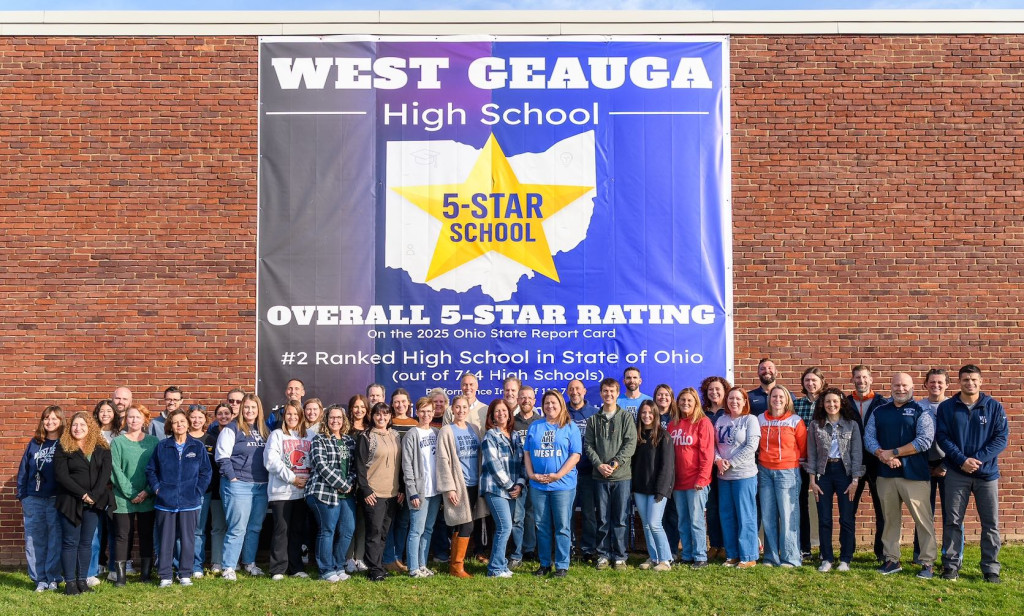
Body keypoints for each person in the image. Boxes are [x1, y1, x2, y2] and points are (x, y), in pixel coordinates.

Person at [935, 364, 1009, 583]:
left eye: (974, 379)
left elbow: (1001, 438)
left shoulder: (993, 407)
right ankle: (950, 566)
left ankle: (991, 568)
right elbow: (943, 437)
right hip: (957, 473)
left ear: (981, 381)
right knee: (953, 521)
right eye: (966, 379)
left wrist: (976, 460)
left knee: (990, 523)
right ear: (959, 382)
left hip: (986, 474)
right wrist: (961, 460)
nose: (970, 383)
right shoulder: (947, 407)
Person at [864, 373, 936, 578]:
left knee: (923, 520)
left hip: (915, 475)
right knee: (890, 519)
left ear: (912, 387)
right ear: (891, 386)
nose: (900, 389)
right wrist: (884, 456)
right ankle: (891, 559)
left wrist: (894, 453)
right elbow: (869, 438)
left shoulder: (922, 411)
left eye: (905, 385)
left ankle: (927, 562)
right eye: (896, 385)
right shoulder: (879, 411)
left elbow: (925, 440)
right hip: (886, 474)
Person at [146, 409, 212, 587]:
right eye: (175, 422)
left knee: (188, 540)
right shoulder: (162, 446)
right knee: (166, 540)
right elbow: (151, 470)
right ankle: (165, 575)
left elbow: (206, 472)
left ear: (188, 424)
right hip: (165, 503)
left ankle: (185, 574)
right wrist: (158, 489)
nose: (179, 425)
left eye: (182, 421)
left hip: (190, 502)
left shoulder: (197, 446)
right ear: (170, 426)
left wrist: (198, 491)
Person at [805, 387, 863, 572]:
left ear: (841, 403)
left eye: (835, 401)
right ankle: (827, 558)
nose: (831, 405)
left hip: (845, 473)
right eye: (828, 401)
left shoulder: (852, 425)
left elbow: (856, 454)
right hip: (823, 473)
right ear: (822, 404)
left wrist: (855, 480)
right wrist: (812, 480)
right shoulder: (815, 425)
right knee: (824, 518)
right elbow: (812, 454)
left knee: (846, 518)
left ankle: (845, 558)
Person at [524, 390, 582, 577]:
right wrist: (531, 475)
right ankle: (544, 564)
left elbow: (575, 455)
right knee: (541, 525)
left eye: (554, 402)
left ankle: (562, 565)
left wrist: (558, 475)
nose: (550, 406)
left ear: (561, 404)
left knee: (562, 526)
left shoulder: (570, 427)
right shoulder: (535, 426)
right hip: (538, 486)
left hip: (562, 486)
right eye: (547, 403)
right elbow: (527, 453)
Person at [54, 411, 112, 595]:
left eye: (82, 425)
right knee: (70, 542)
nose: (77, 428)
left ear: (90, 428)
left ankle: (82, 581)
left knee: (86, 543)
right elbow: (61, 476)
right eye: (74, 425)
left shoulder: (102, 447)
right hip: (70, 501)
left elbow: (105, 474)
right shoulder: (63, 447)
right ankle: (70, 583)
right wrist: (83, 494)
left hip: (93, 503)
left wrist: (94, 495)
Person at [216, 393, 270, 581]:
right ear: (241, 409)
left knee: (254, 527)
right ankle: (229, 567)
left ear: (259, 409)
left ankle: (249, 563)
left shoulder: (265, 430)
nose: (249, 410)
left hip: (261, 485)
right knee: (237, 528)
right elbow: (222, 456)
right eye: (246, 407)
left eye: (253, 407)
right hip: (239, 485)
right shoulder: (232, 428)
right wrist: (233, 478)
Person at [585, 377, 637, 570]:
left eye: (612, 391)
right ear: (601, 394)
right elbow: (588, 445)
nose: (608, 394)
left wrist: (614, 464)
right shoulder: (593, 419)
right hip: (600, 477)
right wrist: (599, 465)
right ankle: (603, 555)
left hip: (622, 477)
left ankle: (620, 556)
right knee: (603, 519)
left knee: (620, 518)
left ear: (617, 393)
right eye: (605, 391)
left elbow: (630, 444)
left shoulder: (626, 417)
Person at [305, 404, 357, 583]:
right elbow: (321, 465)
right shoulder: (319, 439)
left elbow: (354, 467)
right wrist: (341, 484)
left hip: (346, 494)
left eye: (339, 417)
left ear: (344, 420)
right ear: (326, 419)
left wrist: (348, 483)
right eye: (332, 417)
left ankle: (338, 565)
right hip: (323, 491)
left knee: (348, 530)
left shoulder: (349, 441)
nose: (336, 420)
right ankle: (326, 570)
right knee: (327, 530)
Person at [437, 395, 486, 578]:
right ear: (452, 409)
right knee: (466, 524)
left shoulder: (474, 428)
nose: (461, 411)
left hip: (474, 484)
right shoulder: (446, 431)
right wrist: (449, 487)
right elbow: (442, 461)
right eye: (457, 407)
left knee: (461, 525)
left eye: (464, 407)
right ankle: (458, 566)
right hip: (459, 485)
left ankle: (454, 565)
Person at [757, 385, 806, 568]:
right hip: (764, 471)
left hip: (788, 472)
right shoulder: (760, 419)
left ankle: (790, 558)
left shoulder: (795, 420)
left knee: (788, 516)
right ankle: (770, 557)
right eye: (774, 396)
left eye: (781, 397)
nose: (777, 400)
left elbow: (803, 447)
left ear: (787, 401)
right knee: (768, 516)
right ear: (769, 399)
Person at [17, 405, 65, 592]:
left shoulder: (64, 443)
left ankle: (53, 577)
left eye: (54, 418)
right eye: (46, 418)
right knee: (34, 540)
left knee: (55, 539)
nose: (50, 422)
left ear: (61, 421)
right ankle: (40, 579)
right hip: (33, 498)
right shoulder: (35, 443)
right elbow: (24, 470)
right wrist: (23, 495)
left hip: (56, 499)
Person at [356, 402, 404, 582]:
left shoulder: (395, 435)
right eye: (378, 414)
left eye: (385, 414)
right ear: (372, 416)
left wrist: (401, 488)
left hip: (392, 493)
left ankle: (379, 565)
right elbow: (359, 466)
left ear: (390, 416)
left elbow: (400, 464)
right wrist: (366, 490)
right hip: (373, 494)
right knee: (374, 532)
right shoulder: (366, 437)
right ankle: (374, 569)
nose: (381, 418)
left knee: (384, 532)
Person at [110, 406, 158, 586]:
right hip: (123, 498)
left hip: (148, 496)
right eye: (130, 417)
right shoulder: (117, 442)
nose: (134, 420)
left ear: (145, 420)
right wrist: (130, 493)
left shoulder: (154, 442)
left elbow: (158, 468)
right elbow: (115, 470)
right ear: (126, 420)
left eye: (138, 417)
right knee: (122, 536)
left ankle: (145, 575)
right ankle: (120, 577)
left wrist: (147, 491)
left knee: (146, 534)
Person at [265, 400, 312, 580]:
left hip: (302, 492)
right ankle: (278, 569)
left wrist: (306, 481)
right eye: (289, 414)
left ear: (301, 416)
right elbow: (271, 461)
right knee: (281, 530)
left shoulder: (309, 436)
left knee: (297, 531)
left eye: (295, 414)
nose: (292, 417)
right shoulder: (276, 435)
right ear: (284, 416)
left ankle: (295, 567)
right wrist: (292, 478)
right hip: (281, 491)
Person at [669, 387, 715, 568]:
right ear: (677, 403)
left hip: (696, 482)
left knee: (696, 520)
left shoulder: (703, 423)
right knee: (683, 520)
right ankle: (687, 554)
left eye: (689, 400)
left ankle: (700, 556)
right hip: (678, 482)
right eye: (682, 400)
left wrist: (702, 478)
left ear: (696, 403)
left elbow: (707, 453)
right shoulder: (673, 424)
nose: (685, 403)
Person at [715, 387, 760, 569]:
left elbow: (751, 446)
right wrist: (718, 461)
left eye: (738, 398)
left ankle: (748, 556)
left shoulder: (750, 420)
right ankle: (732, 555)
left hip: (744, 475)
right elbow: (713, 445)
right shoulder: (721, 420)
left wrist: (731, 463)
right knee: (727, 516)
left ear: (744, 401)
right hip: (723, 477)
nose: (734, 401)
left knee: (745, 515)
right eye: (731, 398)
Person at [480, 398, 525, 577]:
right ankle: (495, 568)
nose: (501, 414)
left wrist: (520, 484)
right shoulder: (490, 436)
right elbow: (493, 465)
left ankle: (501, 565)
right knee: (504, 526)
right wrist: (511, 486)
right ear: (492, 415)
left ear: (509, 414)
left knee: (506, 527)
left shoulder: (515, 436)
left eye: (504, 411)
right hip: (495, 489)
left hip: (513, 489)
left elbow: (522, 463)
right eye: (497, 411)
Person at [848, 364, 888, 562]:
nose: (861, 381)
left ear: (871, 379)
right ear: (852, 380)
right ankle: (848, 551)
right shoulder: (845, 402)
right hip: (852, 463)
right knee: (849, 509)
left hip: (877, 462)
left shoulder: (882, 402)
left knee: (882, 510)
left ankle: (881, 552)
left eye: (864, 377)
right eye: (857, 377)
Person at [914, 368, 952, 568]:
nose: (936, 385)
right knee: (922, 512)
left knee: (951, 513)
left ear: (947, 384)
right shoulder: (918, 406)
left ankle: (950, 555)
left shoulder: (954, 406)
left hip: (949, 464)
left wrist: (945, 465)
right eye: (932, 382)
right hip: (923, 466)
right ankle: (920, 553)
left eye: (940, 382)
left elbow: (960, 439)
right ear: (925, 384)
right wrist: (922, 465)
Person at [631, 400, 674, 571]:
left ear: (656, 415)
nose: (646, 416)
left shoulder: (664, 436)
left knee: (655, 523)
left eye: (650, 412)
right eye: (643, 412)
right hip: (640, 488)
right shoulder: (637, 436)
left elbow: (667, 466)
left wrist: (662, 490)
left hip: (658, 489)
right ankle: (654, 557)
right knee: (646, 524)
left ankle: (666, 560)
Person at [403, 398, 442, 578]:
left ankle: (422, 564)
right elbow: (407, 466)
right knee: (416, 530)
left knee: (428, 529)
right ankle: (413, 568)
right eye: (423, 411)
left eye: (429, 411)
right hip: (420, 491)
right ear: (417, 412)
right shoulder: (412, 434)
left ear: (433, 413)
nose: (426, 415)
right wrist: (412, 492)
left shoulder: (436, 433)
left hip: (435, 491)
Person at [195, 402, 231, 577]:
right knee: (198, 529)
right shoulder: (211, 435)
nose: (223, 416)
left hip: (218, 488)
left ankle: (217, 561)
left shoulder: (227, 435)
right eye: (220, 413)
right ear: (215, 417)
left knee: (218, 527)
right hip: (201, 491)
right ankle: (196, 564)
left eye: (227, 413)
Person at [793, 368, 825, 559]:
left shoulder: (828, 402)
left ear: (821, 382)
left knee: (823, 505)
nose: (810, 384)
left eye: (814, 380)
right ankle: (804, 547)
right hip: (801, 461)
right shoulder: (797, 404)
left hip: (823, 462)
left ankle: (824, 549)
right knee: (801, 504)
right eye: (807, 380)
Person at [384, 388, 416, 573]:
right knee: (389, 521)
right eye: (396, 401)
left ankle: (398, 557)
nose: (400, 405)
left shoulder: (415, 424)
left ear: (409, 403)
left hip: (409, 482)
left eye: (403, 401)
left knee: (404, 522)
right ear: (392, 404)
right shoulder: (388, 424)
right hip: (390, 482)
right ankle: (388, 558)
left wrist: (405, 487)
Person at [566, 379, 598, 563]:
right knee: (567, 513)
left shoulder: (594, 413)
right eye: (571, 389)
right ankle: (568, 547)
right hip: (566, 473)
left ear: (584, 391)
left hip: (588, 472)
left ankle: (588, 549)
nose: (574, 392)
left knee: (588, 513)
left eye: (578, 388)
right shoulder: (562, 412)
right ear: (567, 392)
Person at [699, 375, 730, 561]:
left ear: (725, 391)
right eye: (710, 389)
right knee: (711, 508)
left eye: (718, 389)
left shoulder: (730, 411)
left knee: (726, 507)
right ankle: (715, 544)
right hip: (707, 468)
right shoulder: (702, 413)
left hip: (727, 467)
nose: (714, 392)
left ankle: (727, 545)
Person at [509, 385, 541, 567]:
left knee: (532, 514)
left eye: (529, 397)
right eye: (522, 397)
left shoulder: (541, 422)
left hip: (536, 476)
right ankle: (517, 552)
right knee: (517, 517)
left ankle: (530, 549)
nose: (526, 400)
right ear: (518, 400)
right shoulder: (511, 422)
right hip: (517, 476)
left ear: (534, 401)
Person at [91, 399, 119, 584]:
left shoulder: (120, 435)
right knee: (95, 531)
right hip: (95, 489)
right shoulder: (91, 435)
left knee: (114, 531)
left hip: (114, 489)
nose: (106, 414)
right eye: (102, 411)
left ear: (115, 414)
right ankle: (94, 567)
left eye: (109, 411)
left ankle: (113, 569)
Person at [650, 384, 678, 557]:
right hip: (654, 472)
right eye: (659, 394)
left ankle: (672, 551)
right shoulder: (650, 416)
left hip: (674, 471)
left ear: (671, 398)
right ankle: (656, 552)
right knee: (655, 517)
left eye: (666, 395)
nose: (663, 397)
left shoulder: (677, 417)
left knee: (672, 515)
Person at [344, 394, 370, 574]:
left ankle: (359, 557)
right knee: (348, 522)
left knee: (362, 520)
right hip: (347, 481)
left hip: (365, 482)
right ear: (351, 409)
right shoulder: (344, 429)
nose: (359, 410)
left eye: (362, 407)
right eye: (356, 407)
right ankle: (348, 559)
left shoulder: (370, 430)